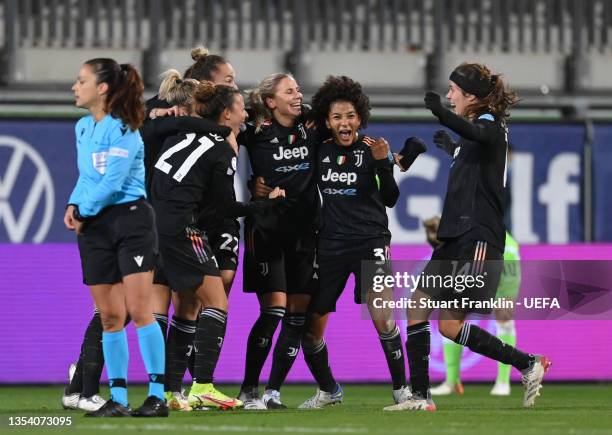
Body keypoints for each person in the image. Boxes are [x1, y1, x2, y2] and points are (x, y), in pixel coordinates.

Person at [383, 62, 551, 412]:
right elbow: (476, 151)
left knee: (448, 322)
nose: (448, 95)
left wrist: (442, 115)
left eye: (453, 91)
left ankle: (525, 363)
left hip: (477, 237)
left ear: (471, 96)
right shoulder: (477, 131)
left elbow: (481, 135)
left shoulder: (490, 124)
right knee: (422, 308)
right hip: (455, 234)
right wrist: (454, 149)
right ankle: (421, 396)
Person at [148, 82, 283, 411]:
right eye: (240, 107)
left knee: (186, 308)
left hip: (154, 224)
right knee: (216, 301)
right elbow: (222, 208)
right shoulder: (221, 147)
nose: (246, 112)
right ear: (226, 113)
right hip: (181, 228)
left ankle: (170, 392)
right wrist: (262, 205)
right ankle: (203, 386)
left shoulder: (183, 136)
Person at [296, 75, 413, 409]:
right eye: (337, 117)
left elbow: (391, 199)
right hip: (329, 245)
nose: (344, 122)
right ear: (328, 122)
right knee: (310, 329)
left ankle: (400, 390)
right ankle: (329, 390)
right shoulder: (319, 150)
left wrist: (384, 164)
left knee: (383, 319)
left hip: (370, 242)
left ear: (360, 118)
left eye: (349, 116)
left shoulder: (372, 149)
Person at [65, 58, 168, 417]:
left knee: (140, 310)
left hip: (130, 222)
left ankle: (158, 396)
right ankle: (119, 399)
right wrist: (74, 202)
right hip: (96, 227)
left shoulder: (124, 127)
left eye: (81, 81)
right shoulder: (82, 127)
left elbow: (113, 182)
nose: (75, 87)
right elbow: (89, 178)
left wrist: (83, 210)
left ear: (102, 88)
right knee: (110, 316)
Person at [237, 72, 320, 410]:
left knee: (298, 317)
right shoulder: (255, 129)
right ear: (271, 101)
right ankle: (248, 390)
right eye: (290, 91)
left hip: (306, 231)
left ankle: (273, 392)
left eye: (299, 89)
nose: (298, 95)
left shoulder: (313, 124)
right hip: (266, 229)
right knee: (273, 309)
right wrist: (248, 185)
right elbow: (221, 139)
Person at [422, 217, 522, 396]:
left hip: (503, 254)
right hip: (474, 252)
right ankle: (452, 381)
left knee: (504, 316)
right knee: (451, 316)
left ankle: (503, 381)